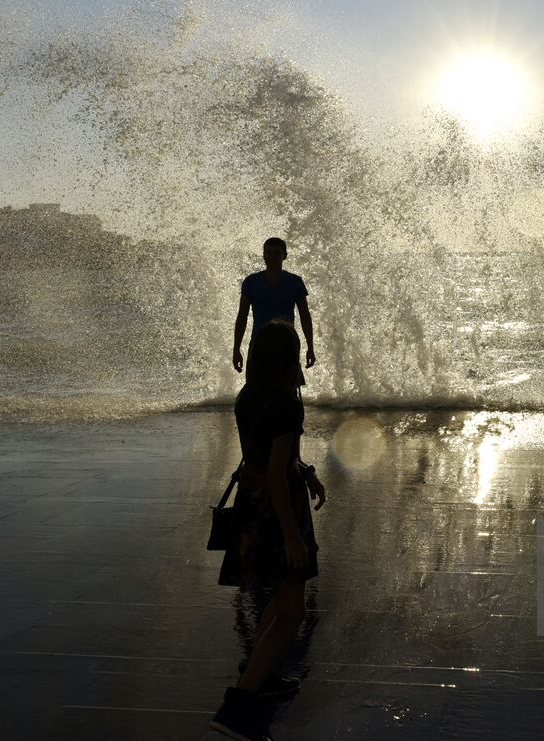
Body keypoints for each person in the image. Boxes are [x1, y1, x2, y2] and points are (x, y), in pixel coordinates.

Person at [210, 319, 327, 741]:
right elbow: (278, 475)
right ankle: (236, 709)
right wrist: (293, 535)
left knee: (277, 596)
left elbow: (270, 458)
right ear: (287, 357)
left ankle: (259, 671)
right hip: (279, 508)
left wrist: (308, 472)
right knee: (292, 608)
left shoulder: (248, 397)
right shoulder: (286, 404)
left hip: (253, 503)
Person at [233, 237, 316, 382]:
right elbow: (242, 316)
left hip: (287, 341)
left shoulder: (295, 282)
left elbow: (305, 316)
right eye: (268, 253)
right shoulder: (251, 282)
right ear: (263, 255)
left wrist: (310, 348)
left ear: (284, 256)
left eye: (276, 253)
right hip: (259, 342)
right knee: (256, 387)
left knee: (289, 388)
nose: (272, 257)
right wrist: (236, 349)